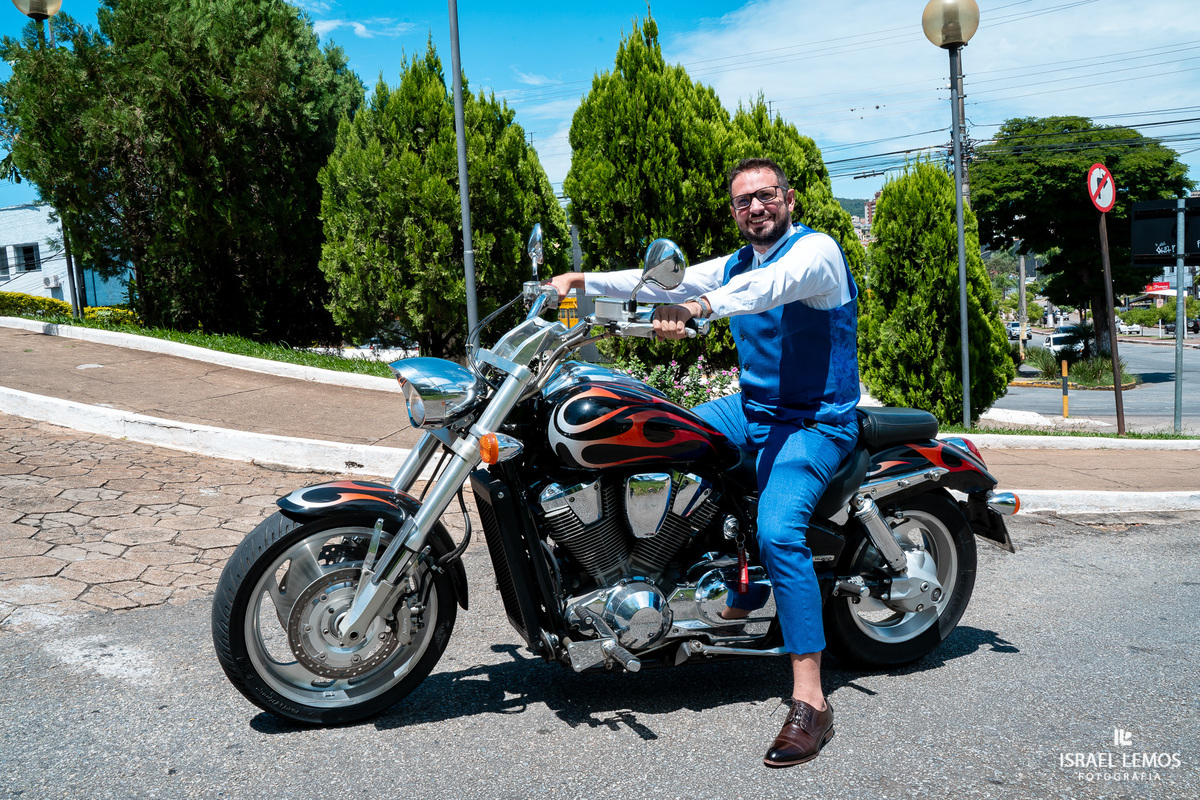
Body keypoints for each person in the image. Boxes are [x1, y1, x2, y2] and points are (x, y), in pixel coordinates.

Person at [549, 157, 860, 768]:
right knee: (647, 435)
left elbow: (764, 291)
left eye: (765, 196)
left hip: (816, 419)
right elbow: (669, 283)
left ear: (788, 199)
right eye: (743, 201)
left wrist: (699, 309)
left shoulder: (815, 252)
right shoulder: (736, 261)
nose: (755, 208)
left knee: (778, 531)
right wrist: (581, 283)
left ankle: (810, 700)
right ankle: (646, 571)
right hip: (752, 409)